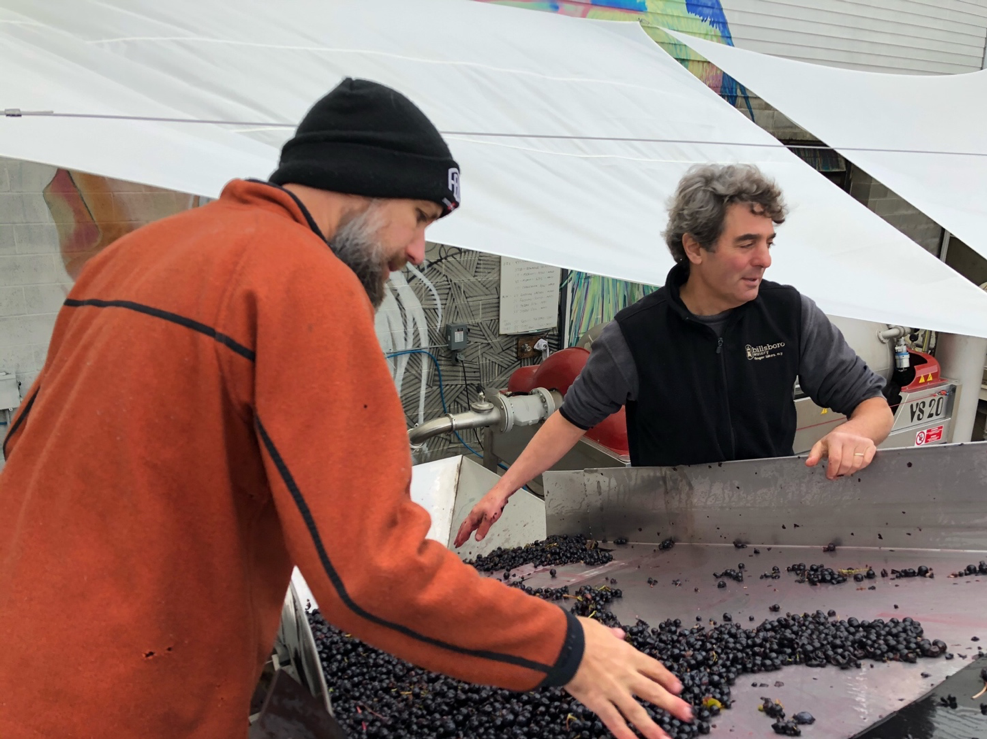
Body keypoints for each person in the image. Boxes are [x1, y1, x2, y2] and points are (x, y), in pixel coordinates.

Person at [0, 79, 691, 739]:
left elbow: (29, 446)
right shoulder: (305, 282)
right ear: (362, 183)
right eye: (419, 217)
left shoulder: (129, 257)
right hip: (138, 706)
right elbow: (369, 575)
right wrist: (568, 648)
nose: (418, 251)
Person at [456, 163, 894, 548]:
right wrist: (503, 491)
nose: (764, 260)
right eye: (746, 244)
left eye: (769, 243)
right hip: (667, 536)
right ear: (695, 248)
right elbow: (571, 420)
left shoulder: (790, 315)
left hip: (769, 527)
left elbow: (874, 405)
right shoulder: (634, 336)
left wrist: (856, 433)